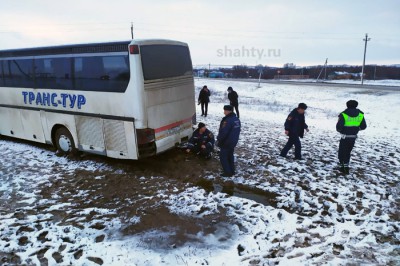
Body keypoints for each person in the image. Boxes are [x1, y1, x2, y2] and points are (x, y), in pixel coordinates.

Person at [336, 100, 367, 174]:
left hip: (345, 136)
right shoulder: (360, 114)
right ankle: (345, 166)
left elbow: (339, 127)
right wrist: (356, 129)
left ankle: (343, 168)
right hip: (353, 137)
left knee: (342, 152)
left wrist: (341, 130)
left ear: (347, 105)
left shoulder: (343, 114)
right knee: (348, 152)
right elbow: (363, 126)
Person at [217, 105, 241, 177]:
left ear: (228, 111)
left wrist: (219, 139)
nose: (224, 112)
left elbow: (224, 132)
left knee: (223, 157)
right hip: (233, 141)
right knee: (230, 155)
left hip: (226, 142)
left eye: (224, 110)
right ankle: (232, 170)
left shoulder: (227, 121)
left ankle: (227, 172)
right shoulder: (236, 119)